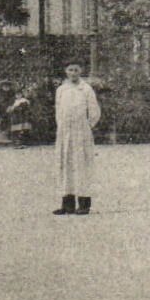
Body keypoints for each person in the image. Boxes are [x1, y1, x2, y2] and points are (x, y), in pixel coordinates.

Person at [53, 63, 101, 215]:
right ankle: (67, 203)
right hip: (65, 132)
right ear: (66, 71)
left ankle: (84, 204)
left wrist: (86, 126)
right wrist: (62, 126)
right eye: (70, 70)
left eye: (76, 70)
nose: (73, 73)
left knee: (81, 165)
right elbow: (58, 110)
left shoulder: (86, 89)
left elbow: (94, 111)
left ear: (81, 71)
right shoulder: (61, 90)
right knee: (65, 164)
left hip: (81, 133)